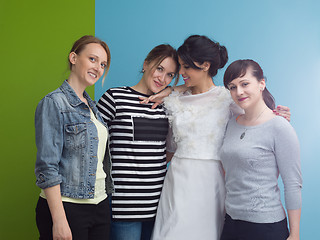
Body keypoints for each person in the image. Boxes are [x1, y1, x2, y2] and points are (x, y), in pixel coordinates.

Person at [139, 35, 291, 240]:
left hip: (212, 182)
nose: (180, 73)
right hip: (177, 180)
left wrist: (278, 117)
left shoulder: (227, 98)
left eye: (186, 67)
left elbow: (257, 116)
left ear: (205, 65)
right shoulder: (173, 100)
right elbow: (169, 148)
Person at [96, 44, 180, 240]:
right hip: (124, 206)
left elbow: (168, 150)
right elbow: (92, 144)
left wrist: (172, 91)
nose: (162, 78)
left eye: (170, 75)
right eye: (160, 69)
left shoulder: (167, 105)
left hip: (159, 205)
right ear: (146, 64)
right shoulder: (115, 98)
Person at [34, 35, 114, 240]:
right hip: (68, 207)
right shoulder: (54, 103)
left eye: (103, 64)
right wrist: (59, 220)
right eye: (93, 59)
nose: (98, 68)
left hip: (100, 204)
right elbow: (47, 166)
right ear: (73, 58)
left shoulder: (94, 108)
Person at [220, 59, 302, 240]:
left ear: (261, 84)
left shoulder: (279, 126)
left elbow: (293, 183)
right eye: (232, 87)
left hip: (266, 226)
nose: (238, 92)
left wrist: (295, 234)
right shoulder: (231, 125)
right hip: (231, 222)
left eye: (244, 84)